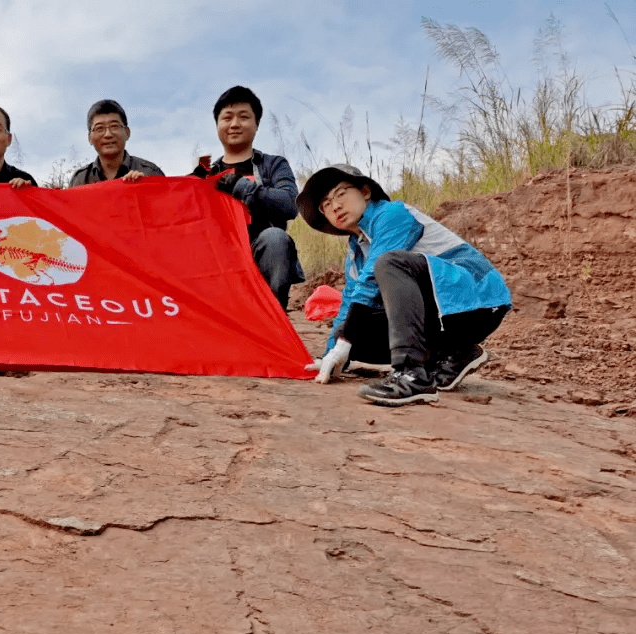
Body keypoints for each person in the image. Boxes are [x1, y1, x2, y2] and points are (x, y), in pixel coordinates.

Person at [298, 164, 512, 406]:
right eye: (326, 204)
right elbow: (349, 304)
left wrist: (345, 341)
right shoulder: (356, 252)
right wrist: (332, 355)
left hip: (476, 300)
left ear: (365, 192)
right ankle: (456, 352)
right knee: (348, 330)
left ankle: (413, 376)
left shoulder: (391, 214)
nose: (335, 206)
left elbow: (372, 279)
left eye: (341, 194)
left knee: (388, 264)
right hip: (441, 315)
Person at [192, 85, 304, 311]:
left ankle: (274, 326)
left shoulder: (273, 165)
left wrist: (241, 187)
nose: (234, 124)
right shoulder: (203, 173)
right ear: (218, 125)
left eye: (243, 117)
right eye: (227, 118)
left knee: (275, 238)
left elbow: (290, 204)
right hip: (217, 256)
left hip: (260, 251)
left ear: (256, 125)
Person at [69, 99, 163, 186]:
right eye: (100, 128)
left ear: (127, 133)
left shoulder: (150, 173)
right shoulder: (80, 180)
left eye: (114, 126)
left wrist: (146, 187)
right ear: (90, 137)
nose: (108, 134)